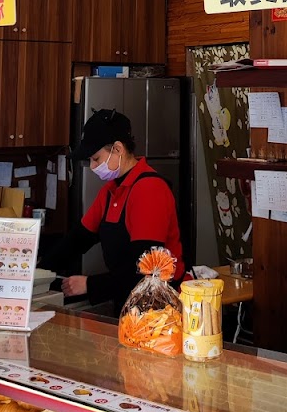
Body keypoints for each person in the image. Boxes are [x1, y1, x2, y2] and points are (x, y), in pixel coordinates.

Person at [44, 108, 184, 311]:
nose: (93, 166)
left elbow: (147, 269)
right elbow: (77, 240)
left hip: (160, 304)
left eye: (96, 159)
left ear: (117, 149)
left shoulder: (149, 189)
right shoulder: (111, 191)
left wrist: (90, 285)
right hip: (127, 299)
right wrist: (35, 272)